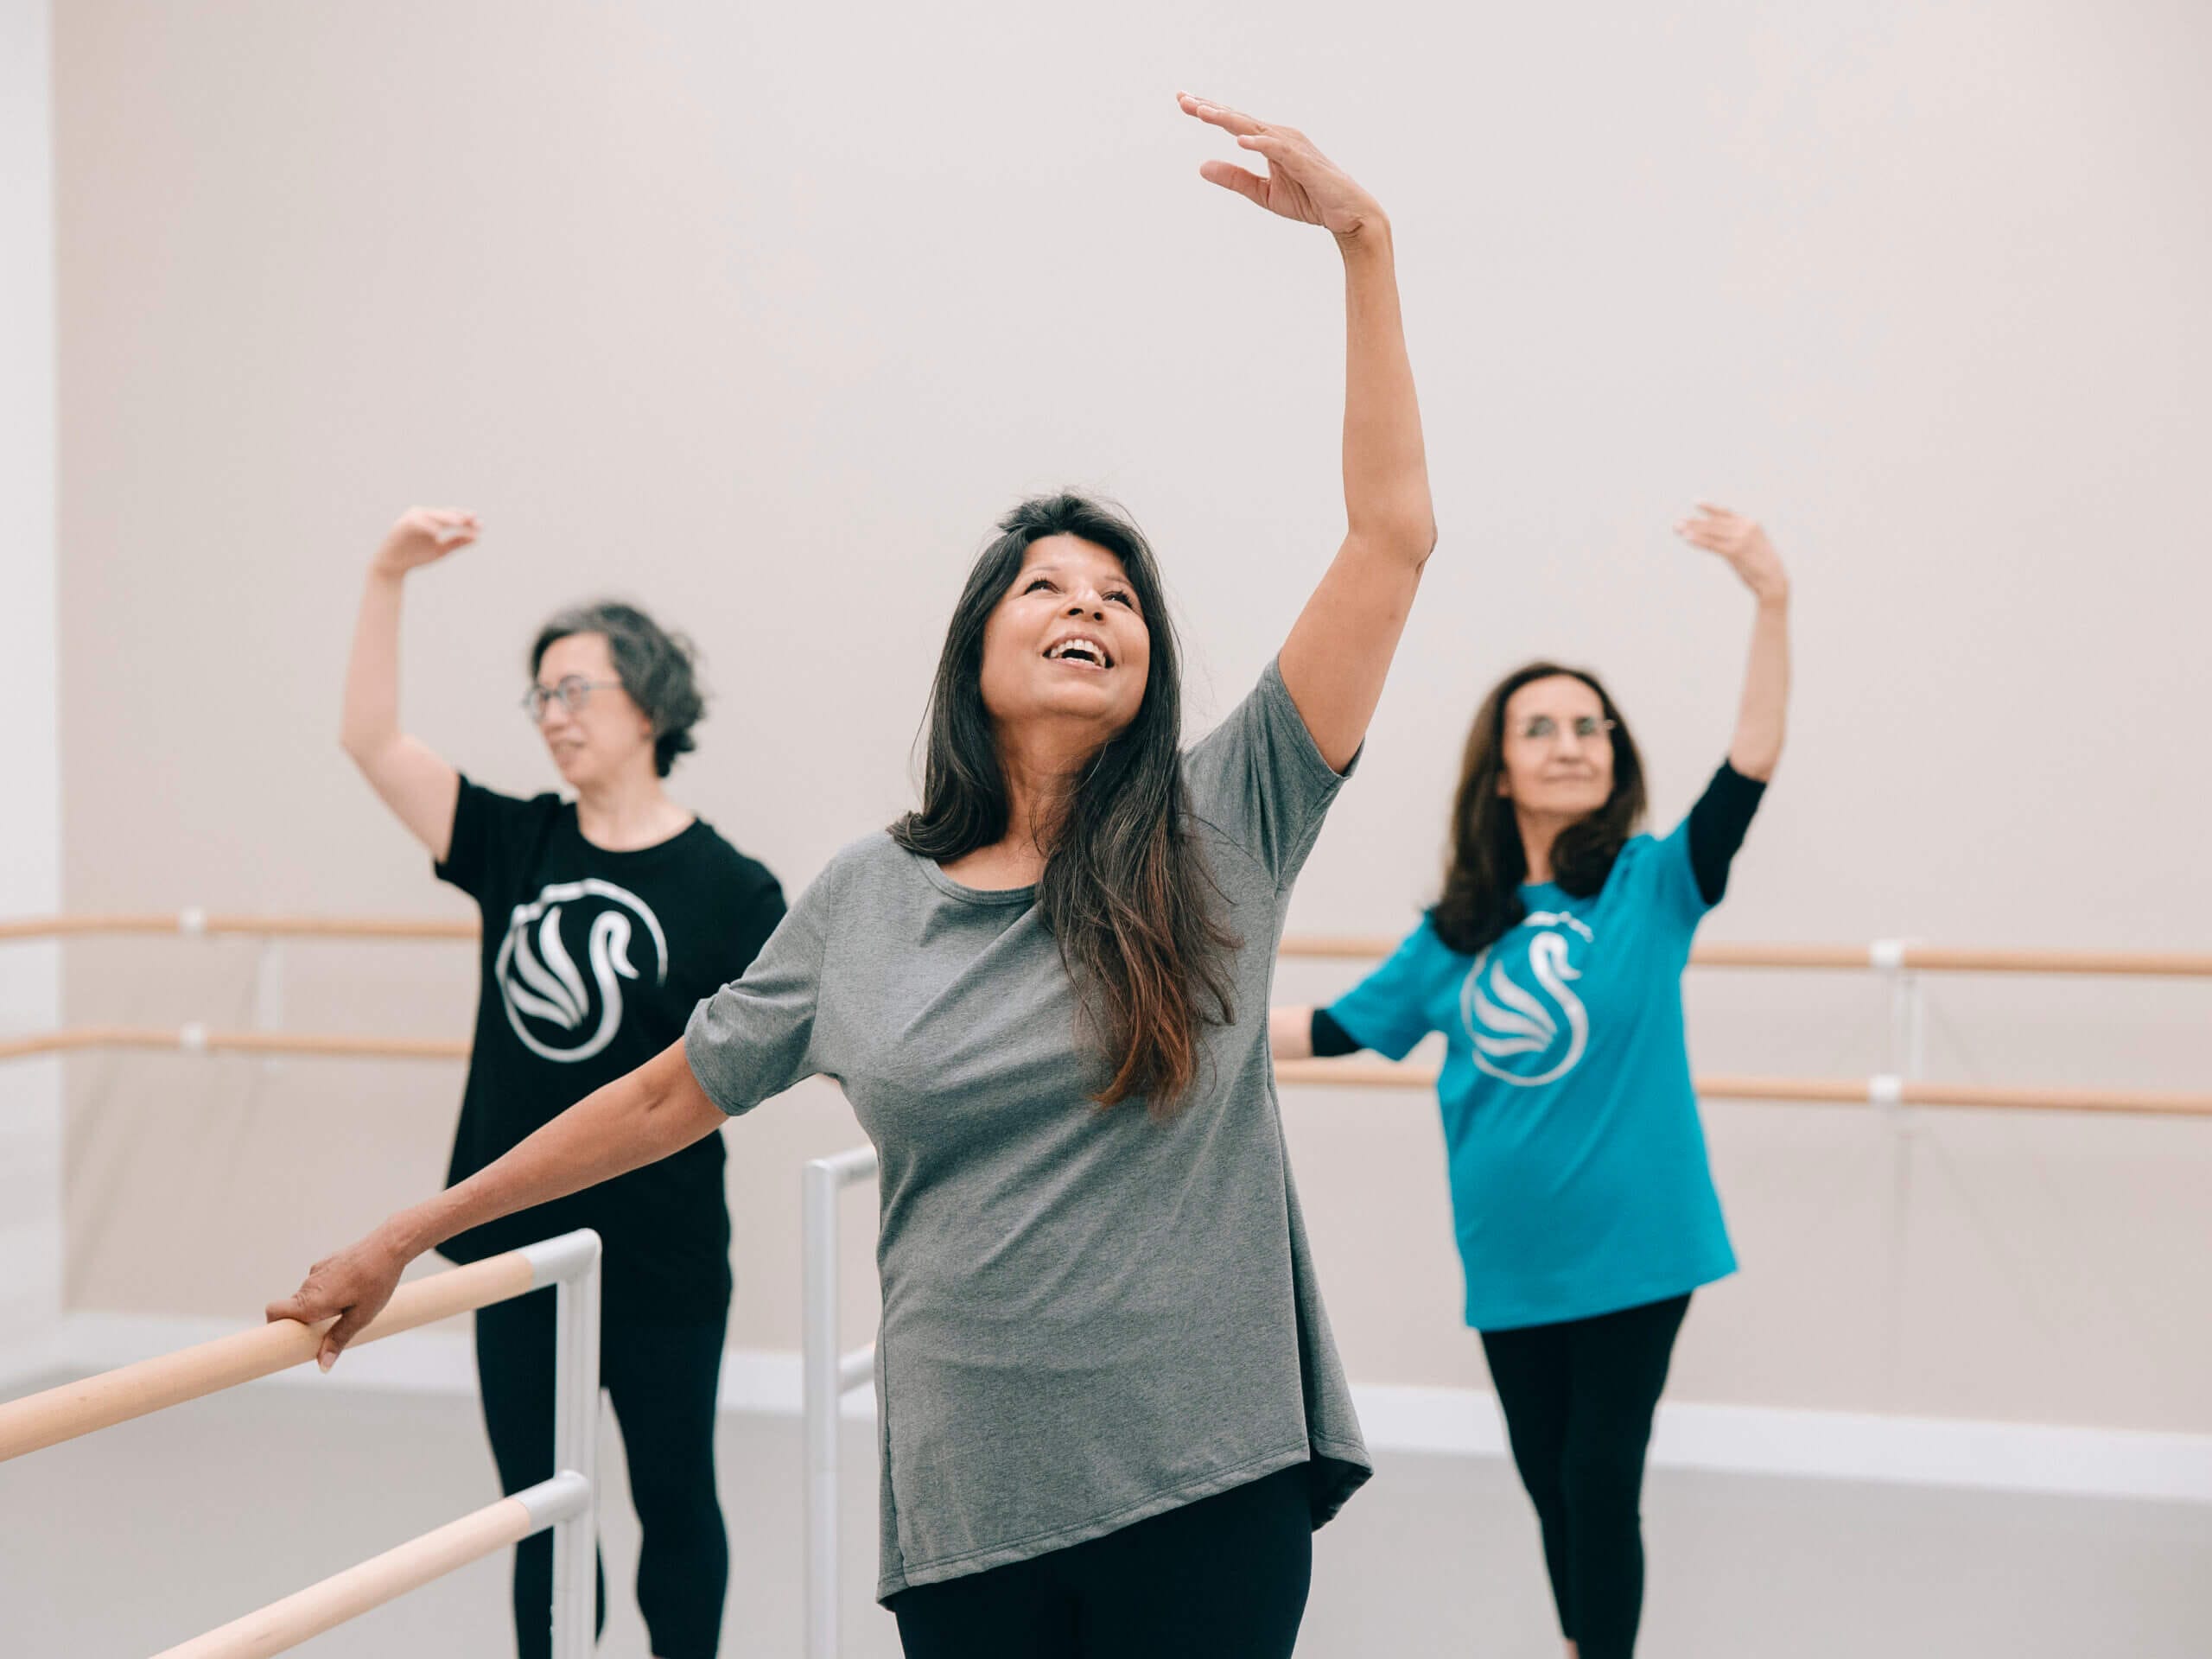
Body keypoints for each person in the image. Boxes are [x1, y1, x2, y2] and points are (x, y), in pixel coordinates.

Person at [272, 92, 1433, 1658]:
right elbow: (665, 1097)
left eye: (1120, 598)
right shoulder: (865, 900)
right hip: (970, 1505)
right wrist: (418, 1226)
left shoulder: (1227, 817)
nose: (1088, 608)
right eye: (1046, 586)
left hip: (1205, 1482)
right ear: (979, 645)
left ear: (1149, 662)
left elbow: (1389, 540)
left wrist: (1362, 245)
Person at [1270, 505, 1790, 1659]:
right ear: (1500, 772)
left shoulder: (1655, 888)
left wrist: (1772, 601)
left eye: (1590, 727)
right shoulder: (1460, 931)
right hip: (1512, 1263)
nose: (1570, 742)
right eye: (1541, 727)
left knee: (1601, 1482)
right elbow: (1342, 1028)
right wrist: (1172, 1023)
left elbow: (1748, 764)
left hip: (1640, 1251)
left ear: (1614, 760)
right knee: (1554, 1488)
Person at [337, 512, 786, 1659]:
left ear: (648, 703)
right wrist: (388, 574)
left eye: (576, 690)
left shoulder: (734, 890)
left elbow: (749, 1067)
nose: (554, 717)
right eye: (541, 696)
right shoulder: (513, 842)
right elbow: (372, 737)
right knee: (541, 1516)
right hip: (515, 1251)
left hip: (665, 1254)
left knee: (675, 1502)